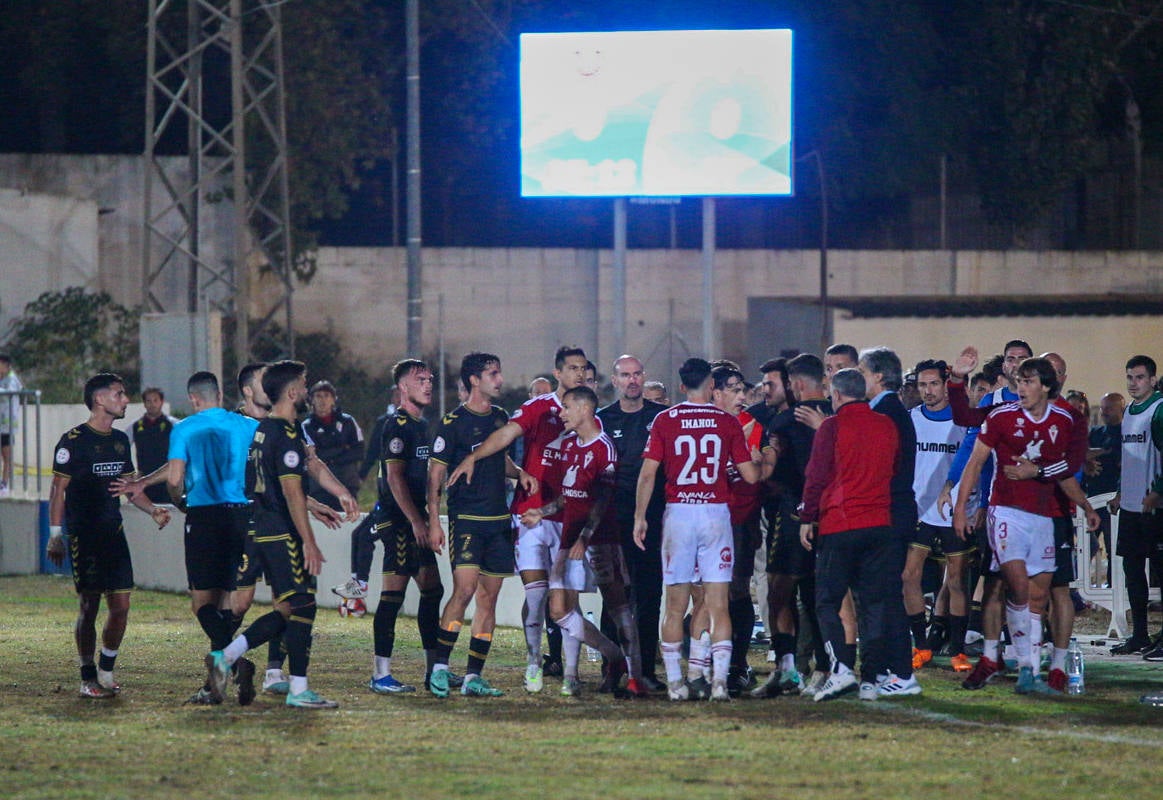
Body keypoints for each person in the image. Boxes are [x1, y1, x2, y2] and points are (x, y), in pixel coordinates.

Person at [952, 358, 1099, 695]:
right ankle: (1021, 666)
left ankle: (1029, 669)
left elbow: (1065, 471)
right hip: (1006, 513)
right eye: (1019, 381)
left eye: (1029, 381)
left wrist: (1087, 506)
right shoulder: (1001, 416)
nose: (1021, 388)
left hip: (1045, 517)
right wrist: (961, 509)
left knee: (1037, 596)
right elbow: (974, 463)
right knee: (1015, 587)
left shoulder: (1064, 421)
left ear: (1047, 386)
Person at [446, 346, 588, 693]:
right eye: (572, 368)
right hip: (531, 515)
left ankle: (571, 672)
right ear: (558, 373)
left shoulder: (589, 415)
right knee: (537, 597)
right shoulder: (538, 408)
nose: (579, 374)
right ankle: (533, 663)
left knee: (567, 601)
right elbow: (507, 436)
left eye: (584, 369)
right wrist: (473, 458)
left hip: (569, 518)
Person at [206, 360, 340, 709]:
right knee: (304, 605)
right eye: (305, 383)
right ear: (293, 392)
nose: (308, 390)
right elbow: (292, 492)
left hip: (261, 529)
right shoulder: (287, 433)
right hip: (281, 533)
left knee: (285, 609)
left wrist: (337, 495)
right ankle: (297, 689)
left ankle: (227, 656)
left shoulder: (263, 430)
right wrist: (308, 541)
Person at [633, 357, 762, 701]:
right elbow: (750, 476)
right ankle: (718, 682)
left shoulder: (665, 419)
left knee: (674, 605)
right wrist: (759, 458)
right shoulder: (726, 422)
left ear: (680, 387)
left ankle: (676, 685)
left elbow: (648, 473)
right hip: (716, 514)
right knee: (718, 603)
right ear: (710, 387)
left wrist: (640, 516)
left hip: (679, 514)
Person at [46, 373, 172, 697]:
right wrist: (56, 534)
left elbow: (130, 487)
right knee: (89, 606)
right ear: (100, 400)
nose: (125, 399)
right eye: (118, 394)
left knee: (121, 605)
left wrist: (153, 509)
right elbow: (57, 490)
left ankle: (106, 669)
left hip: (113, 533)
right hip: (84, 536)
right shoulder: (72, 441)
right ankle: (87, 677)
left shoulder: (118, 441)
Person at [426, 352, 529, 698]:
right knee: (465, 591)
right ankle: (440, 667)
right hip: (467, 519)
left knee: (489, 600)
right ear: (474, 380)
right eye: (493, 374)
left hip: (498, 521)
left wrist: (521, 473)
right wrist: (433, 521)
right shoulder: (453, 422)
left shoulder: (500, 418)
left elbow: (500, 461)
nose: (499, 380)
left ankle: (473, 676)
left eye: (499, 373)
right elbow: (436, 474)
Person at [520, 385, 634, 697]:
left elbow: (602, 500)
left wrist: (585, 537)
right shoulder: (571, 446)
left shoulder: (605, 448)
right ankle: (615, 657)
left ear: (584, 409)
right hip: (569, 538)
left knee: (617, 605)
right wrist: (540, 513)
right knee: (559, 611)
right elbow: (567, 496)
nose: (561, 412)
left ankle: (635, 671)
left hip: (601, 541)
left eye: (567, 407)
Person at [798, 367, 902, 702]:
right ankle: (871, 679)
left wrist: (807, 516)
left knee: (826, 599)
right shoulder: (887, 425)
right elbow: (893, 469)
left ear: (837, 394)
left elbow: (816, 476)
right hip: (880, 524)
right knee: (873, 603)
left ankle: (841, 669)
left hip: (841, 524)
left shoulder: (832, 426)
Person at [165, 371, 262, 704]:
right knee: (224, 608)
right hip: (241, 515)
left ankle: (237, 664)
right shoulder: (246, 425)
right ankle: (213, 685)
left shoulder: (184, 429)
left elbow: (176, 478)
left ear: (194, 398)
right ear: (220, 394)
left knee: (202, 605)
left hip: (205, 516)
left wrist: (179, 500)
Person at [367, 359, 450, 694]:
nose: (428, 384)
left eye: (430, 379)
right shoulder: (396, 424)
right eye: (420, 379)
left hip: (415, 520)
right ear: (403, 387)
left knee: (433, 590)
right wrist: (417, 520)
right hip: (399, 521)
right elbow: (394, 476)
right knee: (393, 595)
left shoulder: (420, 424)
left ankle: (434, 670)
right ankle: (380, 674)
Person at [752, 354, 833, 699]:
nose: (765, 390)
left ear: (793, 384)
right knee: (791, 593)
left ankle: (821, 668)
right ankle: (792, 669)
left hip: (797, 516)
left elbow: (773, 473)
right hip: (815, 514)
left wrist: (759, 469)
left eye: (771, 383)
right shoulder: (832, 413)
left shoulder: (786, 423)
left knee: (797, 592)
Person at [597, 354, 669, 692]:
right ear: (615, 380)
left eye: (638, 373)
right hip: (612, 520)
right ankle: (611, 670)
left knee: (649, 594)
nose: (633, 380)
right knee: (613, 595)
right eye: (625, 375)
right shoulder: (601, 420)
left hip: (651, 520)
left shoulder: (661, 418)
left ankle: (644, 671)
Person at [858, 346, 921, 697]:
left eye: (862, 372)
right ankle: (886, 668)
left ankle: (902, 673)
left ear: (878, 375)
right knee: (880, 594)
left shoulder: (888, 413)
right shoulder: (888, 410)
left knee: (887, 596)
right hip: (892, 512)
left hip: (890, 513)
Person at [905, 360, 972, 673]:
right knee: (908, 576)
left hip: (952, 511)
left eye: (933, 384)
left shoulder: (964, 422)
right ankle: (921, 645)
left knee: (956, 581)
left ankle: (958, 650)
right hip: (919, 511)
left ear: (947, 384)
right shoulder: (911, 419)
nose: (927, 391)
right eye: (922, 385)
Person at [1108, 355, 1163, 656]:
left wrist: (1157, 492)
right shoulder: (1128, 411)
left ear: (1153, 380)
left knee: (1159, 571)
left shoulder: (1159, 409)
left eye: (1140, 377)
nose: (1133, 382)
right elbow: (1128, 458)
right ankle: (1140, 634)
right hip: (1130, 507)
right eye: (1129, 377)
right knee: (1132, 571)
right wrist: (1119, 491)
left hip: (1153, 507)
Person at [303, 380, 364, 511]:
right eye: (318, 396)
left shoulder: (348, 422)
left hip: (347, 483)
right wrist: (341, 449)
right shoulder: (306, 427)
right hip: (319, 487)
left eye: (326, 395)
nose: (322, 400)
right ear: (311, 400)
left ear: (333, 399)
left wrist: (332, 458)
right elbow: (312, 456)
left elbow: (358, 451)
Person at [1085, 392, 1123, 590]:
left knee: (1113, 546)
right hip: (1093, 498)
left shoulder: (1127, 433)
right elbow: (1083, 453)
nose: (1104, 412)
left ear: (1121, 409)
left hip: (1114, 498)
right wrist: (1088, 460)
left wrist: (1098, 453)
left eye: (1109, 408)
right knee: (1086, 544)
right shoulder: (1096, 432)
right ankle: (1080, 587)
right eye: (1102, 407)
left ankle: (1114, 587)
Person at [126, 388, 179, 506]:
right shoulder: (134, 427)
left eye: (155, 400)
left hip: (168, 484)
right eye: (148, 401)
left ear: (162, 402)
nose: (152, 404)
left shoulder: (175, 425)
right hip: (143, 486)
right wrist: (129, 476)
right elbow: (121, 451)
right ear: (144, 403)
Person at [0, 353, 23, 493]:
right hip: (0, 422)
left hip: (7, 424)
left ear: (6, 366)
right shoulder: (2, 379)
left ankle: (5, 483)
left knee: (6, 454)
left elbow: (10, 392)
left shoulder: (11, 379)